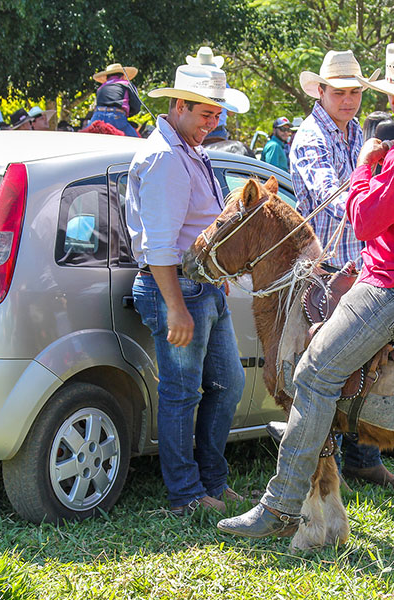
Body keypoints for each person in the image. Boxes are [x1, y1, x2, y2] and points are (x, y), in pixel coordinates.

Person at [218, 40, 394, 538]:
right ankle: (331, 493)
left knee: (313, 373)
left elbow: (362, 220)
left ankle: (280, 507)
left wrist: (366, 166)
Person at [124, 64, 250, 515]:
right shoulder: (165, 158)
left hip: (201, 285)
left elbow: (198, 226)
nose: (211, 123)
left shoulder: (188, 150)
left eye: (217, 115)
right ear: (179, 106)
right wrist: (175, 307)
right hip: (177, 288)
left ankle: (211, 482)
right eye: (205, 114)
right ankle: (187, 495)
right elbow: (159, 245)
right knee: (181, 393)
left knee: (228, 384)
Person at [283, 48, 394, 491]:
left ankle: (363, 457)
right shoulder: (310, 137)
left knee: (365, 363)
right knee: (329, 365)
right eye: (339, 92)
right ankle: (332, 464)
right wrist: (376, 193)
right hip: (328, 269)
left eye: (355, 92)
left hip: (362, 264)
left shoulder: (357, 132)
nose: (349, 100)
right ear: (320, 91)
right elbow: (332, 198)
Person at [91, 63, 141, 137]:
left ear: (107, 77)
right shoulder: (127, 84)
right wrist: (128, 114)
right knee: (136, 140)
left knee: (85, 136)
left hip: (97, 117)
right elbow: (136, 106)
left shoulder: (101, 88)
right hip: (116, 117)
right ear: (122, 76)